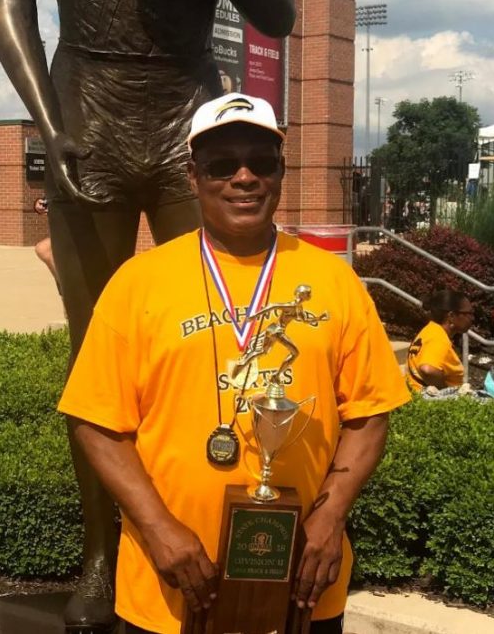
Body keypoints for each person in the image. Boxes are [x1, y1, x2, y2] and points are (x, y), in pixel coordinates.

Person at [0, 0, 295, 628]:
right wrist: (49, 127)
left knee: (220, 339)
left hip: (189, 106)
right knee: (96, 355)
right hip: (84, 108)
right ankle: (103, 555)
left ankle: (218, 531)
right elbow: (9, 9)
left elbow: (279, 13)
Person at [59, 94, 411, 634]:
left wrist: (331, 515)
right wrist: (159, 531)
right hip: (170, 584)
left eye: (261, 162)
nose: (243, 177)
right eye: (222, 165)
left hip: (301, 582)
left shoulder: (335, 280)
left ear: (281, 172)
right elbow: (96, 422)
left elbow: (369, 413)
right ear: (193, 176)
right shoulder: (137, 283)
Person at [405, 289, 474, 391]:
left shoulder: (429, 330)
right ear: (451, 316)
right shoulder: (438, 338)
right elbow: (427, 370)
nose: (472, 318)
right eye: (469, 313)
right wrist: (446, 392)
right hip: (431, 402)